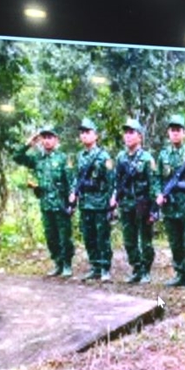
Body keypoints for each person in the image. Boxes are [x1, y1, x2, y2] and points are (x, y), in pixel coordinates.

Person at [12, 126, 75, 277]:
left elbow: (71, 182)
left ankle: (67, 265)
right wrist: (28, 144)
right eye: (44, 138)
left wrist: (72, 202)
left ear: (56, 140)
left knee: (64, 237)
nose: (46, 141)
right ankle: (58, 264)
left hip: (60, 204)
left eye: (50, 137)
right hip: (45, 204)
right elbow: (17, 157)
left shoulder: (63, 158)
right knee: (50, 237)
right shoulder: (37, 159)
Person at [155, 114, 185, 288]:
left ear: (184, 133)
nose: (175, 133)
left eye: (178, 130)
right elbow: (157, 178)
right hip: (170, 207)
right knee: (174, 242)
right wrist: (158, 194)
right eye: (172, 130)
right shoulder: (163, 156)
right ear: (168, 133)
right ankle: (179, 273)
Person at [112, 118, 157, 284]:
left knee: (145, 240)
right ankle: (136, 268)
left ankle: (146, 270)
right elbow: (117, 181)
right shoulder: (120, 158)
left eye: (131, 132)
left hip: (142, 204)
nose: (128, 136)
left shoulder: (147, 158)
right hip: (126, 204)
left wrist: (154, 209)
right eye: (126, 133)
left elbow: (153, 185)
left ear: (140, 136)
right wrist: (114, 197)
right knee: (129, 239)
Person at [69, 118, 114, 282]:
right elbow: (76, 178)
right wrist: (73, 192)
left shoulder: (103, 156)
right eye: (82, 133)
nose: (84, 135)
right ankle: (95, 267)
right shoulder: (80, 156)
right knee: (88, 236)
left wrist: (112, 201)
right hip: (85, 203)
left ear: (95, 135)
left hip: (100, 202)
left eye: (88, 132)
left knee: (102, 236)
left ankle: (105, 268)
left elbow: (111, 180)